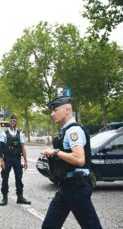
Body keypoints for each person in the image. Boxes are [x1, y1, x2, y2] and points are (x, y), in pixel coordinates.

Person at [42, 96, 102, 229]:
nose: (52, 114)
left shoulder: (73, 131)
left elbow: (80, 160)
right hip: (66, 186)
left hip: (76, 187)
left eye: (55, 110)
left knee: (91, 226)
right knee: (49, 225)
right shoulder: (66, 131)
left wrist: (55, 152)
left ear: (67, 110)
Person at [0, 114, 31, 206]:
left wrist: (25, 161)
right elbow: (1, 148)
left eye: (14, 121)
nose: (12, 122)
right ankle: (4, 198)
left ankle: (20, 197)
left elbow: (23, 148)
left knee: (19, 178)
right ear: (9, 122)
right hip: (7, 159)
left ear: (16, 122)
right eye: (11, 120)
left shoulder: (20, 134)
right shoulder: (4, 134)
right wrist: (2, 160)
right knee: (5, 178)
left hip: (17, 159)